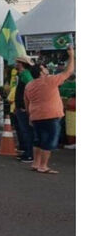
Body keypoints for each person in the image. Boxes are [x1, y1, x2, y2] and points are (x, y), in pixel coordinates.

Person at [24, 46, 74, 174]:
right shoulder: (50, 80)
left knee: (38, 140)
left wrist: (30, 115)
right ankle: (43, 166)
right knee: (49, 141)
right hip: (51, 115)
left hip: (36, 115)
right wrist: (72, 56)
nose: (46, 68)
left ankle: (36, 163)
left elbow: (27, 102)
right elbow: (68, 72)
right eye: (44, 67)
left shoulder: (29, 85)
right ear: (41, 72)